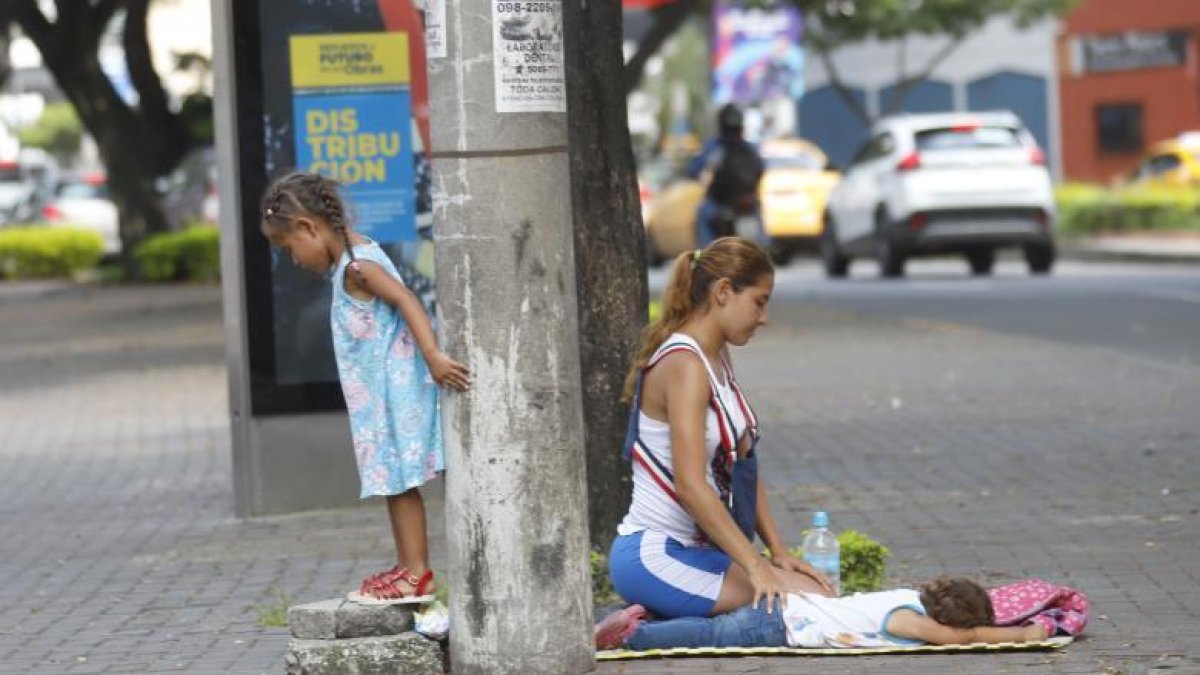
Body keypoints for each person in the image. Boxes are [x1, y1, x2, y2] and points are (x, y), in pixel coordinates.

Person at [260, 171, 469, 604]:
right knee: (393, 482)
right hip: (379, 398)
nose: (295, 260)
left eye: (289, 249)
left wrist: (432, 355)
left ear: (308, 228)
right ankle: (408, 566)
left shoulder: (359, 266)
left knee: (398, 482)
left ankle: (416, 572)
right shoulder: (353, 262)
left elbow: (406, 299)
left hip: (395, 395)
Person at [608, 236, 834, 622]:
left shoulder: (716, 357)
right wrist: (756, 567)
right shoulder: (685, 364)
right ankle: (630, 635)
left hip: (698, 553)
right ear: (724, 292)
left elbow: (745, 465)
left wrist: (777, 553)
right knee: (796, 611)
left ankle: (653, 618)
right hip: (653, 554)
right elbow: (690, 486)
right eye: (759, 302)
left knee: (820, 595)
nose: (764, 318)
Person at [596, 576, 1055, 651]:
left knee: (711, 628)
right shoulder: (909, 620)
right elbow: (962, 640)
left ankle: (643, 618)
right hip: (780, 625)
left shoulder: (906, 597)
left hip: (783, 610)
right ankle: (634, 636)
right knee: (709, 637)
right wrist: (1023, 636)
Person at [686, 104, 765, 247]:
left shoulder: (715, 147)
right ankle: (766, 245)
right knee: (759, 215)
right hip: (747, 201)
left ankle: (707, 256)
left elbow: (694, 169)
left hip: (721, 203)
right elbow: (761, 170)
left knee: (702, 213)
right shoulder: (752, 148)